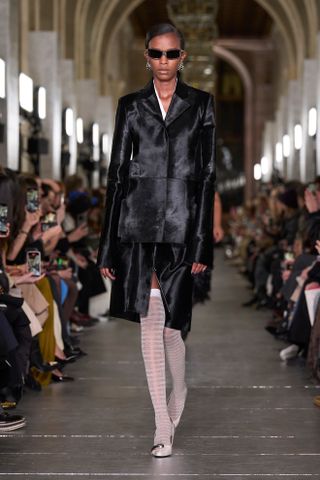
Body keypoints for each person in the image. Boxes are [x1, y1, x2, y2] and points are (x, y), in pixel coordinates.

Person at [97, 23, 216, 458]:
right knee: (149, 317)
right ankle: (162, 423)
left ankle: (178, 388)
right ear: (146, 56)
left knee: (172, 327)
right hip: (139, 224)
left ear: (182, 57)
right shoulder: (130, 106)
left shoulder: (202, 104)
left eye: (171, 54)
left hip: (184, 227)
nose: (164, 61)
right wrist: (107, 245)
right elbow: (114, 176)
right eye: (156, 53)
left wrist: (203, 243)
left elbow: (207, 177)